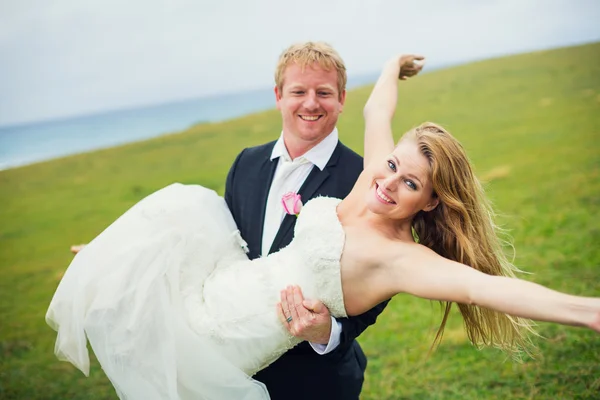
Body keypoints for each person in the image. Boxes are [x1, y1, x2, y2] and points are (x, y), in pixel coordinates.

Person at [47, 54, 600, 400]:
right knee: (181, 208)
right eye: (393, 166)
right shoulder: (370, 180)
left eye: (411, 185)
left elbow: (490, 288)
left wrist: (591, 312)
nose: (389, 183)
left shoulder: (399, 259)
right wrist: (391, 69)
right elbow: (377, 115)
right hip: (221, 288)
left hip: (230, 345)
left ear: (431, 202)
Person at [66, 41, 389, 400]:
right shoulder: (246, 163)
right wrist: (114, 259)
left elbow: (378, 271)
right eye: (298, 91)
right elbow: (211, 241)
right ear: (279, 95)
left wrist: (329, 332)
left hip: (317, 380)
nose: (311, 103)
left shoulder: (360, 180)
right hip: (232, 373)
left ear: (342, 98)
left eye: (324, 93)